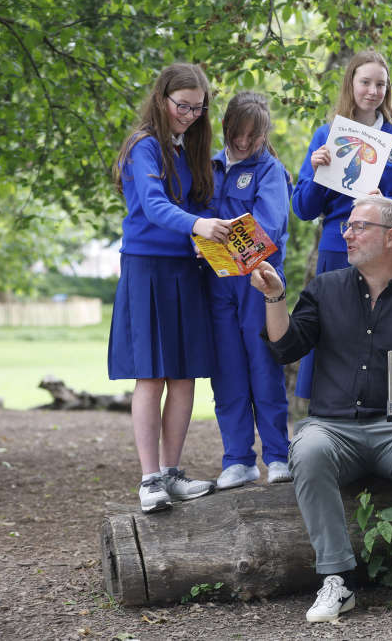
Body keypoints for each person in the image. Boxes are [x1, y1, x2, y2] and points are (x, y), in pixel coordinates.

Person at [250, 195, 392, 623]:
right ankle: (337, 581)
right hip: (333, 429)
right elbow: (286, 347)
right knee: (306, 448)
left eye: (358, 226)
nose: (346, 233)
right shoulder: (324, 289)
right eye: (347, 226)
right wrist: (275, 298)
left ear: (391, 237)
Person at [108, 63, 230, 513]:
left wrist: (204, 239)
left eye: (198, 108)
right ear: (162, 100)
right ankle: (149, 480)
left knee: (183, 375)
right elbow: (156, 207)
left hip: (185, 269)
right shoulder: (144, 147)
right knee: (152, 374)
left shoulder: (191, 146)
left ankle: (173, 473)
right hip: (147, 269)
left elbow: (201, 203)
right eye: (183, 106)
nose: (190, 115)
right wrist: (198, 225)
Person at [291, 49, 392, 399]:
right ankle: (330, 421)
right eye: (365, 82)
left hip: (388, 251)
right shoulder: (326, 134)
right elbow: (304, 209)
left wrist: (388, 202)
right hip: (338, 250)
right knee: (335, 336)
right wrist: (317, 173)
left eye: (381, 84)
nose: (373, 90)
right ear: (350, 84)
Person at [206, 91, 293, 490]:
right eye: (236, 135)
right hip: (215, 282)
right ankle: (237, 459)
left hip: (258, 282)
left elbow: (269, 227)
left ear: (263, 134)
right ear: (225, 128)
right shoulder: (208, 166)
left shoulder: (271, 170)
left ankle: (278, 454)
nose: (243, 143)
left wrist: (226, 244)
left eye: (251, 137)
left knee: (263, 366)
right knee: (227, 371)